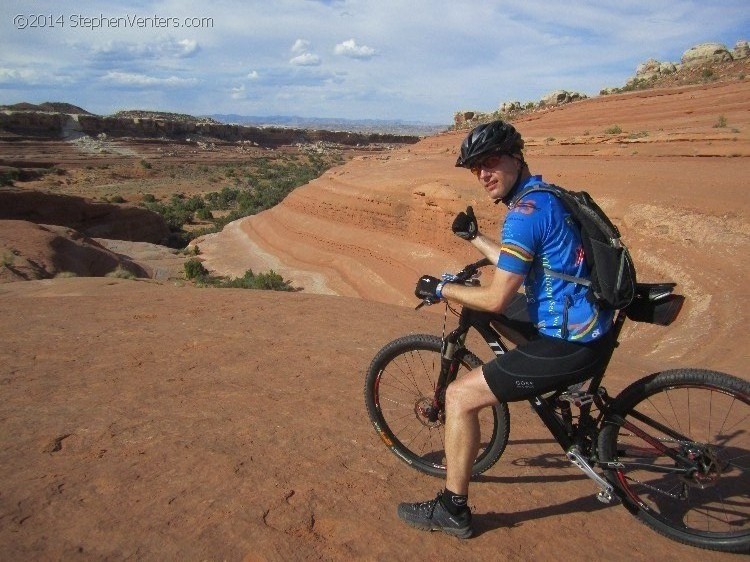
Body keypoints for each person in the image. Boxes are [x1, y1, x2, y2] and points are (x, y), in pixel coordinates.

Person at [397, 120, 616, 538]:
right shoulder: (545, 196)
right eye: (476, 167)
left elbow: (496, 298)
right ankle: (568, 392)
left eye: (491, 161)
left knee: (460, 396)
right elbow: (521, 265)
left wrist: (444, 288)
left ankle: (452, 510)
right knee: (499, 305)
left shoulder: (523, 215)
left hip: (568, 341)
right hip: (588, 324)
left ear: (516, 157)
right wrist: (476, 239)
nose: (483, 173)